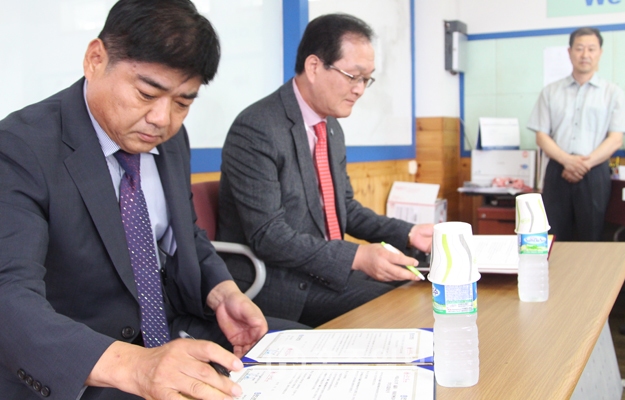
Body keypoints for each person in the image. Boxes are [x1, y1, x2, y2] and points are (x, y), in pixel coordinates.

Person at [0, 1, 304, 399]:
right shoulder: (21, 148)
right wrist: (136, 367)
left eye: (183, 103)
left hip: (173, 329)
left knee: (305, 353)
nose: (162, 119)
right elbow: (8, 295)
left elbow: (184, 234)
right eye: (147, 93)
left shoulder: (171, 141)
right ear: (95, 59)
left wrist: (222, 291)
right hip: (92, 363)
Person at [218, 13, 433, 327]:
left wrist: (409, 233)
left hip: (323, 272)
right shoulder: (256, 128)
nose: (360, 89)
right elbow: (269, 236)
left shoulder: (330, 128)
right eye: (353, 76)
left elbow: (343, 207)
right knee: (400, 306)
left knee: (416, 287)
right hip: (280, 284)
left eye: (366, 79)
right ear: (314, 67)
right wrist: (357, 256)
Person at [527, 27, 625, 241]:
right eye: (579, 48)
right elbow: (541, 136)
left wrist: (584, 164)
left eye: (591, 49)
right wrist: (567, 161)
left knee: (592, 236)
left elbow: (615, 139)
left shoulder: (613, 93)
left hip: (595, 171)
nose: (585, 54)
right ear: (569, 52)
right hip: (558, 169)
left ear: (600, 52)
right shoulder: (550, 91)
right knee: (553, 234)